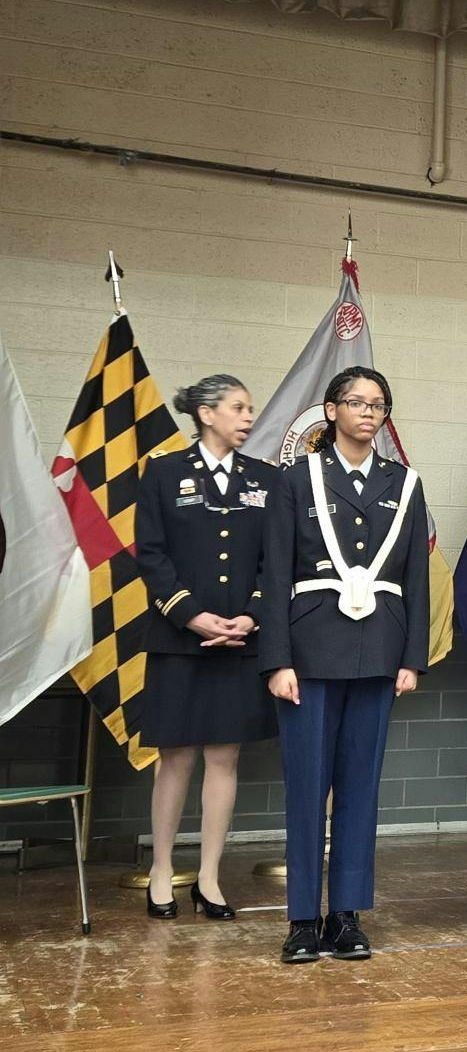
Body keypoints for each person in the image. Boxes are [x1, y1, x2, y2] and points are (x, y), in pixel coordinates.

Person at [261, 366, 430, 963]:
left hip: (379, 651)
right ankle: (304, 918)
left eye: (379, 405)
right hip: (310, 651)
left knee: (361, 788)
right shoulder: (297, 479)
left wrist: (413, 658)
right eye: (356, 402)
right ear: (331, 411)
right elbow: (275, 571)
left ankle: (348, 914)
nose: (368, 413)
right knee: (308, 787)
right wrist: (276, 659)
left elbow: (415, 576)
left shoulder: (403, 482)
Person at [133, 374, 277, 921]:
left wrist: (251, 615)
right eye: (238, 408)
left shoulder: (264, 478)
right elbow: (150, 554)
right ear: (206, 414)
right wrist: (192, 615)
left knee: (225, 757)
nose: (247, 417)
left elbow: (273, 558)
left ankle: (211, 877)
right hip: (179, 640)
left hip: (239, 641)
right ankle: (164, 871)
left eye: (250, 408)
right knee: (175, 759)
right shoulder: (165, 473)